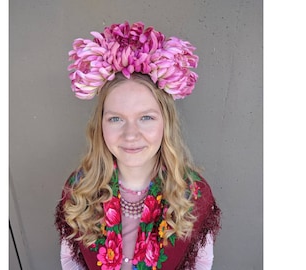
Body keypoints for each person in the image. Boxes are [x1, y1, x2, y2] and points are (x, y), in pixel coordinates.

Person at [55, 21, 221, 270]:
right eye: (116, 118)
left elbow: (201, 262)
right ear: (100, 125)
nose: (131, 135)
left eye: (146, 118)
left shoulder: (194, 194)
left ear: (166, 123)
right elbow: (70, 259)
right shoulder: (79, 190)